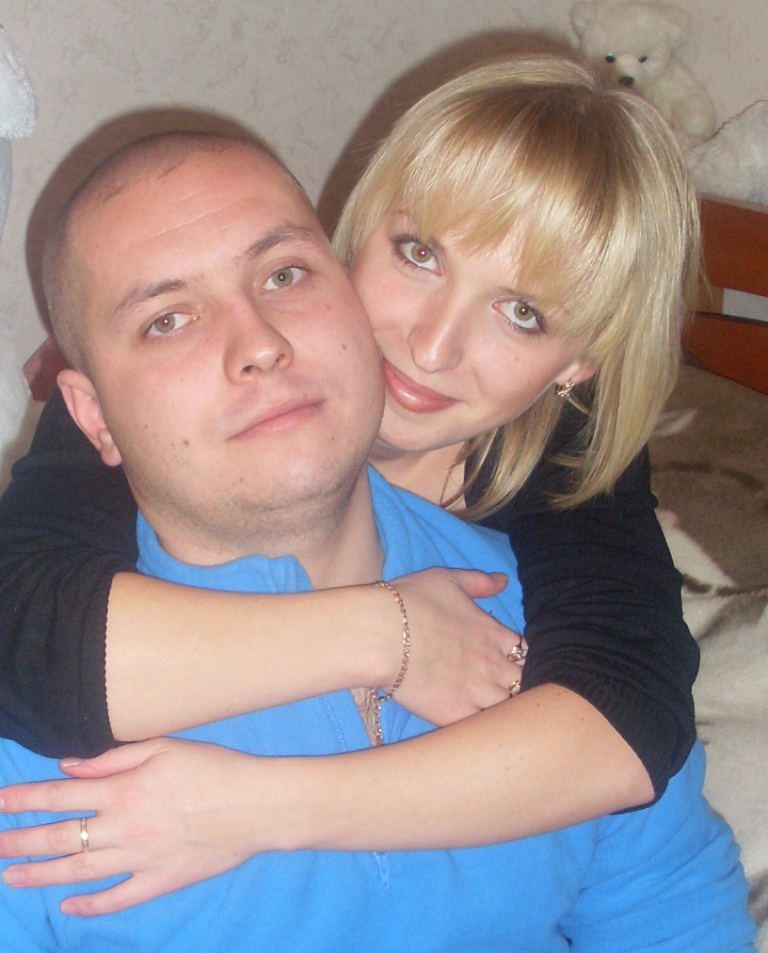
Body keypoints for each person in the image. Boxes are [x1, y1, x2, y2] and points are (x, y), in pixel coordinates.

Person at [0, 131, 755, 952]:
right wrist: (389, 633)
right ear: (93, 417)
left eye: (283, 276)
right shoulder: (31, 722)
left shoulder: (559, 622)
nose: (259, 344)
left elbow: (670, 906)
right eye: (167, 320)